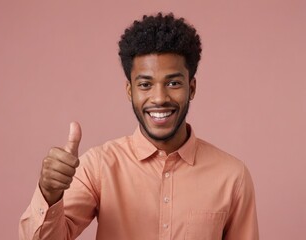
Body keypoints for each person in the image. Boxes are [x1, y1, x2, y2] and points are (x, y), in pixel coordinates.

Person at [19, 13, 259, 240]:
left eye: (173, 83)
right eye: (145, 84)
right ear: (129, 91)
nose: (158, 98)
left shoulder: (232, 176)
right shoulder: (98, 167)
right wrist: (50, 193)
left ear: (192, 88)